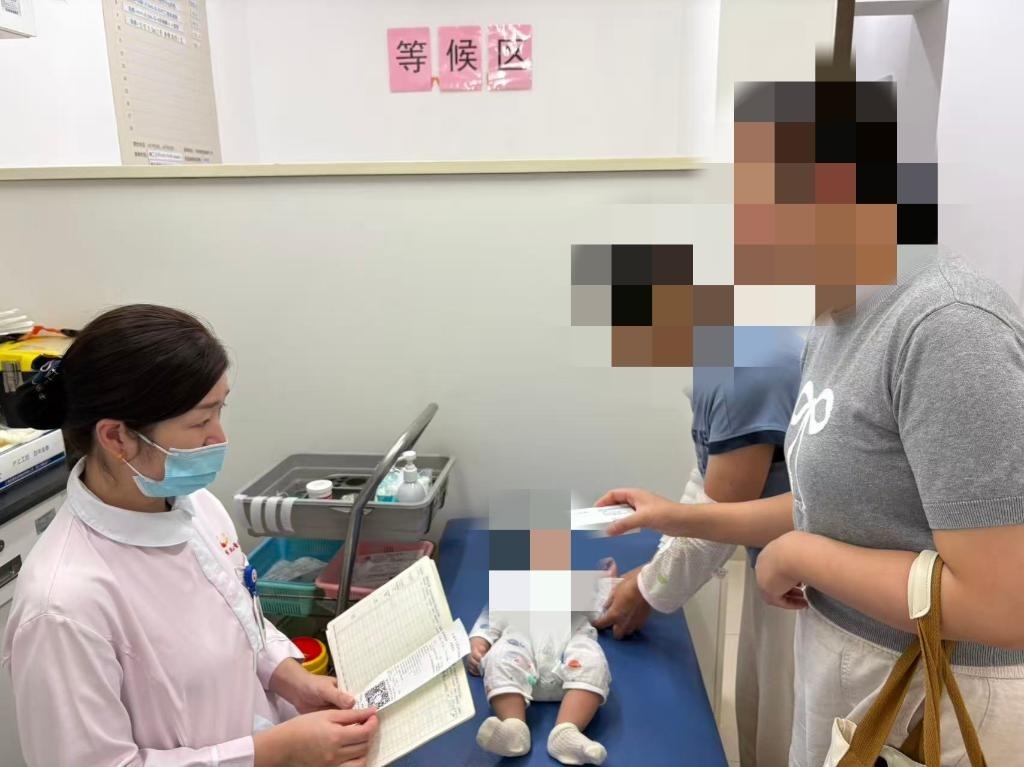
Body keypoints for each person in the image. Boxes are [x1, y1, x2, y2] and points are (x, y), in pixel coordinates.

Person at [599, 79, 1024, 766]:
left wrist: (798, 556)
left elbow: (1005, 603)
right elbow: (825, 503)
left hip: (938, 697)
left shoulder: (948, 326)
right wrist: (673, 515)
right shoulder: (837, 325)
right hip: (852, 666)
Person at [1, 305, 378, 767]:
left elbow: (240, 620)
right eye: (201, 422)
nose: (219, 438)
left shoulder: (195, 506)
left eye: (220, 411)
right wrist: (275, 752)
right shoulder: (61, 607)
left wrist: (289, 677)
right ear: (117, 437)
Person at [594, 335, 803, 767]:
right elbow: (709, 477)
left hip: (807, 585)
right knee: (756, 709)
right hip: (777, 566)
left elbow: (717, 520)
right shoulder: (730, 353)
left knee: (784, 731)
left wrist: (648, 589)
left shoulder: (746, 370)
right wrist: (654, 568)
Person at [467, 575, 614, 766]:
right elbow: (488, 620)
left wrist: (609, 583)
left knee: (593, 660)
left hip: (571, 665)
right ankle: (514, 729)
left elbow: (610, 606)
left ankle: (566, 732)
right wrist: (479, 642)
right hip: (520, 663)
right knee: (499, 656)